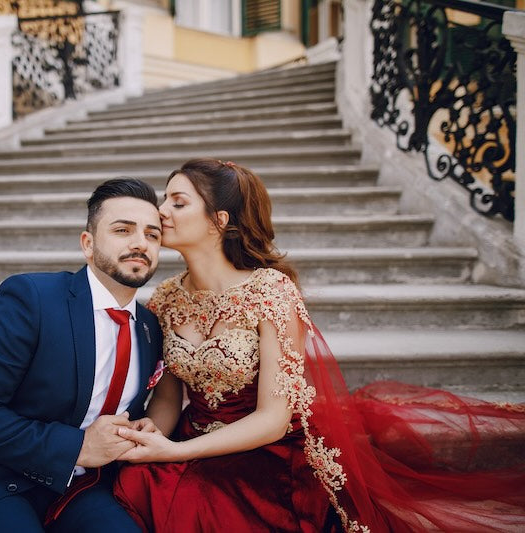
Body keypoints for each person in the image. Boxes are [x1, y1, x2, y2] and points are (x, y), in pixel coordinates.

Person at [111, 158, 525, 532]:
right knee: (131, 484)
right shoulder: (165, 297)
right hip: (189, 435)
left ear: (219, 220)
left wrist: (177, 453)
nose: (160, 211)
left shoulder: (272, 292)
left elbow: (273, 419)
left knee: (204, 503)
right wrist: (156, 433)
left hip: (267, 448)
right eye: (165, 199)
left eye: (177, 202)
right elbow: (167, 394)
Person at [0, 178, 165, 533]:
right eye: (122, 230)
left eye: (152, 234)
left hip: (86, 488)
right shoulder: (31, 298)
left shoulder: (149, 327)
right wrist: (77, 447)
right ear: (88, 243)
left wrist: (135, 428)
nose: (140, 243)